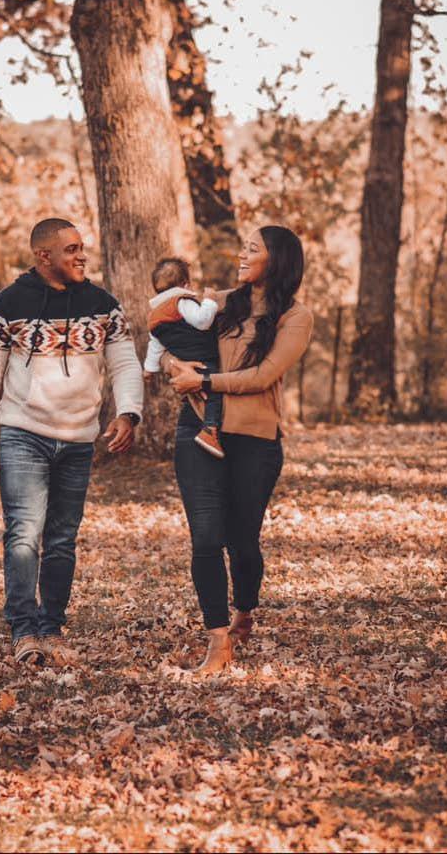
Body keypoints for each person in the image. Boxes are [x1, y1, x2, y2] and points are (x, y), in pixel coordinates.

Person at [0, 218, 143, 665]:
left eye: (82, 248)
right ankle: (24, 630)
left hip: (79, 438)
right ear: (43, 256)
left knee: (62, 538)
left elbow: (125, 364)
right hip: (23, 434)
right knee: (24, 533)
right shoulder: (7, 305)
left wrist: (128, 412)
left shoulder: (103, 305)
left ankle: (52, 627)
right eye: (71, 249)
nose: (82, 256)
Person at [163, 226, 313, 675]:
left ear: (277, 260)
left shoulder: (295, 317)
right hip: (198, 430)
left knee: (242, 543)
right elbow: (168, 336)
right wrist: (174, 364)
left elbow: (264, 375)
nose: (242, 255)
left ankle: (244, 608)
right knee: (206, 537)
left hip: (255, 439)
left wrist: (205, 380)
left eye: (253, 249)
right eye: (244, 247)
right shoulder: (220, 303)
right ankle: (218, 641)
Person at [143, 257, 224, 458]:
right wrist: (210, 300)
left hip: (183, 360)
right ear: (185, 284)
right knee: (215, 390)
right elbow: (202, 321)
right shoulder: (181, 301)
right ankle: (210, 430)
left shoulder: (154, 315)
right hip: (202, 355)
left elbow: (155, 346)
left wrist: (149, 369)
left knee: (202, 393)